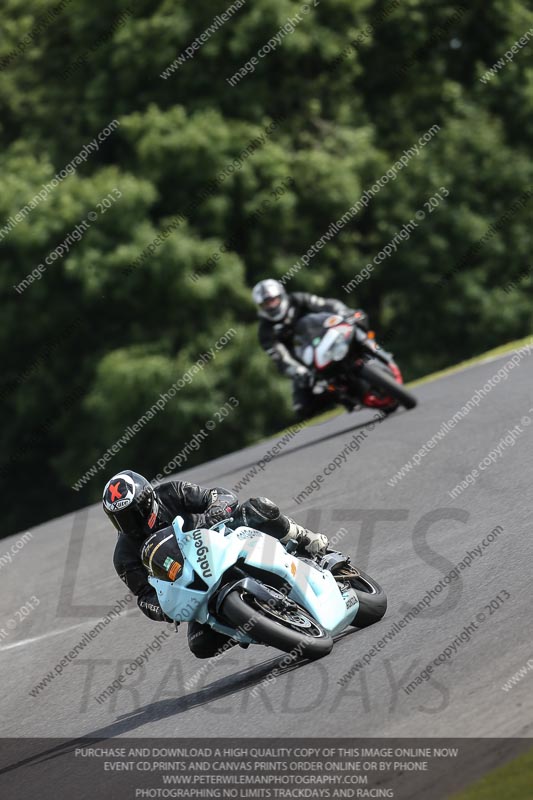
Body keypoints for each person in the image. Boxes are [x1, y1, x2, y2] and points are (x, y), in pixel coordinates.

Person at [103, 470, 329, 658]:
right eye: (120, 519)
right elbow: (144, 596)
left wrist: (216, 510)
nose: (129, 524)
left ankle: (303, 538)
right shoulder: (123, 557)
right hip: (194, 585)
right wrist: (163, 608)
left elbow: (218, 495)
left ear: (148, 500)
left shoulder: (171, 492)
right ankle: (262, 627)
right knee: (200, 644)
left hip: (222, 540)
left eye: (133, 514)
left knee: (259, 508)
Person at [252, 279, 368, 419]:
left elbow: (326, 305)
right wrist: (300, 372)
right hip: (306, 361)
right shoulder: (265, 330)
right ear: (261, 306)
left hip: (329, 337)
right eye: (266, 303)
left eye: (272, 300)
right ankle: (345, 399)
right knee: (302, 408)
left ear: (281, 295)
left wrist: (344, 313)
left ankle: (375, 351)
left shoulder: (298, 299)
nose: (271, 305)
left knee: (359, 319)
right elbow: (280, 358)